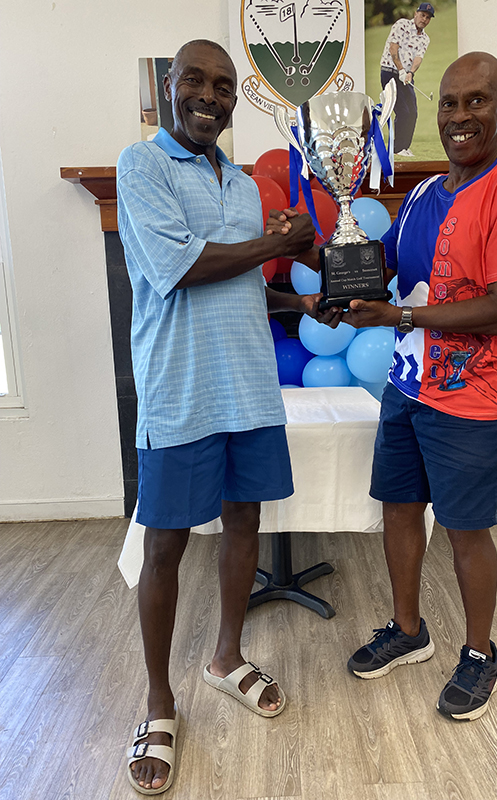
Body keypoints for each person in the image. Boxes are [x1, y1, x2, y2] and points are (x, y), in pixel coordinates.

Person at [269, 52, 497, 722]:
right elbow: (377, 271)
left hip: (477, 395)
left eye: (477, 100)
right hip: (408, 383)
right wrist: (309, 252)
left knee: (464, 529)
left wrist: (397, 318)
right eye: (450, 103)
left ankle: (480, 653)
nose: (460, 116)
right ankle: (408, 630)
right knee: (400, 508)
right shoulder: (425, 194)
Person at [117, 39, 340, 794]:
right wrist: (273, 243)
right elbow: (180, 267)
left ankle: (226, 658)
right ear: (169, 87)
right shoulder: (141, 166)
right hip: (180, 392)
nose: (208, 96)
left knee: (245, 523)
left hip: (247, 387)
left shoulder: (243, 184)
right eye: (194, 81)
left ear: (233, 100)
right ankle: (159, 702)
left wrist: (296, 299)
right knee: (165, 545)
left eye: (222, 85)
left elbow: (239, 281)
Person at [380, 2, 434, 157]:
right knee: (402, 111)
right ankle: (396, 149)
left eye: (428, 17)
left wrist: (410, 73)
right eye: (422, 15)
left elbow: (418, 58)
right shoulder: (402, 25)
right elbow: (393, 48)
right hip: (389, 72)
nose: (424, 19)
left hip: (406, 77)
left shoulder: (425, 38)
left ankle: (404, 147)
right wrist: (401, 70)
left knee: (413, 112)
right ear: (416, 13)